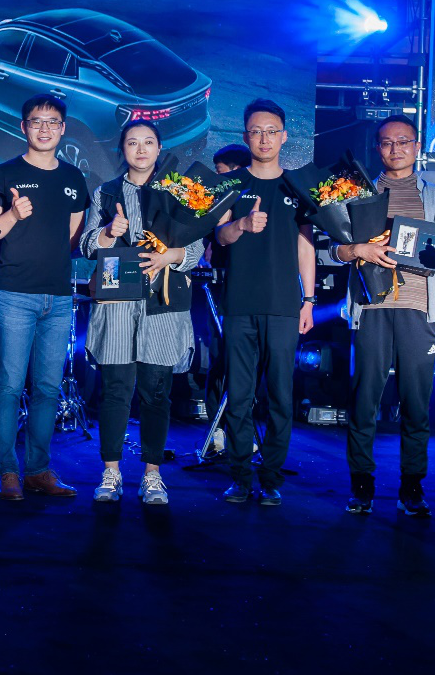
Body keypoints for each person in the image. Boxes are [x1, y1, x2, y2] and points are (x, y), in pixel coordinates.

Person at [329, 115, 435, 516]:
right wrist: (357, 250)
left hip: (419, 308)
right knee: (364, 400)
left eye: (403, 142)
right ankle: (361, 486)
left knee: (416, 404)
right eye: (387, 142)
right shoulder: (357, 193)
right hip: (371, 308)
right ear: (377, 149)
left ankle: (412, 487)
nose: (395, 149)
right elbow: (330, 249)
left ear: (417, 147)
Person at [80, 121, 200, 505]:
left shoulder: (179, 191)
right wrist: (109, 232)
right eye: (133, 142)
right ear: (123, 150)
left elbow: (197, 249)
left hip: (163, 303)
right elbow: (86, 244)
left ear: (160, 148)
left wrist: (170, 256)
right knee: (116, 389)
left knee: (156, 391)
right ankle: (111, 472)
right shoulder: (106, 192)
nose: (141, 149)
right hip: (117, 299)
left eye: (149, 142)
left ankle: (152, 475)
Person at [0, 94, 92, 501]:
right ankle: (8, 471)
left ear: (63, 129)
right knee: (10, 386)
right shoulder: (3, 174)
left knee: (47, 388)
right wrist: (14, 214)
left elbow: (73, 234)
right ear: (23, 126)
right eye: (36, 121)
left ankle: (38, 470)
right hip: (14, 293)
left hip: (59, 296)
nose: (44, 128)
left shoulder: (74, 178)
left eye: (52, 122)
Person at [212, 99, 315, 506]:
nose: (264, 139)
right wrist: (241, 223)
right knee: (238, 396)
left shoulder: (296, 186)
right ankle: (240, 476)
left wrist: (309, 300)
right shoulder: (231, 183)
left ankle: (271, 477)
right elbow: (219, 237)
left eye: (272, 131)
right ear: (246, 137)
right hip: (239, 303)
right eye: (256, 132)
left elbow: (306, 246)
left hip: (284, 305)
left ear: (284, 136)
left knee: (280, 396)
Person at [201, 143, 251, 451]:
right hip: (220, 286)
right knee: (221, 356)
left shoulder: (255, 196)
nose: (217, 178)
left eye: (221, 172)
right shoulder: (216, 199)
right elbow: (208, 242)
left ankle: (242, 429)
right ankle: (217, 429)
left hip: (251, 286)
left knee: (247, 361)